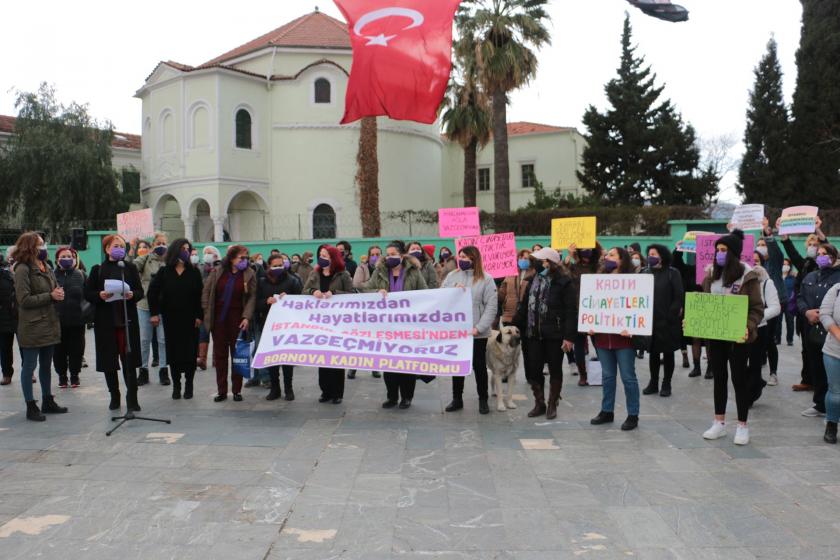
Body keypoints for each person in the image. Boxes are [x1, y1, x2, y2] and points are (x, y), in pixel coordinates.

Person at [700, 230, 764, 446]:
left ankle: (742, 426)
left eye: (724, 250)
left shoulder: (748, 275)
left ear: (734, 253)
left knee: (739, 380)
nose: (719, 254)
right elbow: (704, 305)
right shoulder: (711, 276)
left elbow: (757, 308)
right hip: (716, 336)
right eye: (717, 250)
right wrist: (694, 320)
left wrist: (748, 326)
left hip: (738, 337)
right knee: (719, 378)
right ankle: (719, 422)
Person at [360, 241, 429, 409]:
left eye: (392, 254)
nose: (388, 257)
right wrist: (377, 292)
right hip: (386, 326)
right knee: (388, 363)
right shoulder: (380, 271)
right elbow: (364, 289)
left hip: (408, 325)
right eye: (387, 254)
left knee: (406, 363)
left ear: (401, 255)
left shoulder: (413, 272)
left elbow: (425, 293)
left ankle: (407, 397)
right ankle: (392, 396)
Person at [512, 247, 576, 419]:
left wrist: (569, 337)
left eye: (540, 261)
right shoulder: (532, 279)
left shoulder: (564, 282)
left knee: (555, 369)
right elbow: (524, 306)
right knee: (533, 369)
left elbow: (571, 311)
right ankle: (539, 402)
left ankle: (552, 403)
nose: (536, 264)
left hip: (555, 334)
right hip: (532, 333)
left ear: (550, 262)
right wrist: (512, 324)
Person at [13, 233, 68, 421]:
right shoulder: (22, 269)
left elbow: (53, 287)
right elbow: (24, 299)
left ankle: (47, 400)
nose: (44, 247)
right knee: (29, 366)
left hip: (49, 322)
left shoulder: (46, 266)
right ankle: (31, 405)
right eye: (40, 244)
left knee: (46, 365)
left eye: (44, 244)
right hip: (32, 325)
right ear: (29, 247)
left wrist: (59, 292)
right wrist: (50, 296)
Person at [587, 247, 641, 430]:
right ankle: (606, 410)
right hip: (603, 339)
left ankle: (633, 414)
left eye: (612, 255)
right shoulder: (599, 281)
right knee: (608, 376)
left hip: (624, 340)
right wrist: (591, 323)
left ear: (622, 259)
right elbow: (593, 305)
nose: (607, 257)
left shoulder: (634, 282)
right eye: (607, 254)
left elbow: (640, 308)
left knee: (628, 378)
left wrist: (633, 328)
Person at [441, 246, 497, 414]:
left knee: (479, 366)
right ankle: (457, 398)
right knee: (457, 366)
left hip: (477, 332)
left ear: (474, 259)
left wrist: (479, 328)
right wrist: (452, 291)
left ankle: (483, 399)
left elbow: (491, 307)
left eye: (465, 257)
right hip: (457, 331)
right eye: (460, 256)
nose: (462, 259)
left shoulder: (486, 279)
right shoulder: (452, 276)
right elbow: (441, 296)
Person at [147, 239, 204, 400]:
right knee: (174, 352)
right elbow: (152, 292)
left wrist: (200, 316)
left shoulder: (194, 272)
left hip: (190, 319)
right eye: (183, 249)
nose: (186, 251)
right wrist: (154, 313)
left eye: (188, 249)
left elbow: (200, 296)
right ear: (175, 251)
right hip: (171, 319)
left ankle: (189, 385)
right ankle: (177, 385)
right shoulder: (165, 272)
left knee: (190, 352)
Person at [202, 245, 257, 402]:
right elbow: (206, 292)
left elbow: (252, 297)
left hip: (237, 320)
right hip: (218, 318)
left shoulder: (249, 273)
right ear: (232, 258)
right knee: (220, 356)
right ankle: (221, 390)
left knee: (237, 355)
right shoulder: (218, 271)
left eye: (246, 257)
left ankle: (237, 390)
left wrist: (246, 317)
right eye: (241, 257)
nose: (244, 260)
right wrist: (206, 310)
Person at [781, 216, 829, 391]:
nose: (812, 247)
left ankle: (822, 383)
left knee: (822, 348)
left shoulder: (826, 265)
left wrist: (818, 230)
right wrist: (785, 237)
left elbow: (829, 246)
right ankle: (808, 380)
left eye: (816, 244)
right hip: (804, 313)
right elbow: (792, 253)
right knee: (806, 349)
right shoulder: (804, 264)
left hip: (823, 314)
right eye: (810, 243)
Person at [304, 245, 354, 403]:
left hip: (338, 322)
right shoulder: (315, 273)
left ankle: (337, 393)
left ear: (333, 258)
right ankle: (325, 391)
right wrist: (313, 292)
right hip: (319, 323)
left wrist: (336, 294)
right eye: (321, 255)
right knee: (323, 359)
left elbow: (352, 294)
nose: (322, 258)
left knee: (336, 359)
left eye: (325, 256)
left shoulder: (343, 274)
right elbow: (304, 291)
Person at [798, 244, 840, 418]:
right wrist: (806, 312)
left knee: (831, 371)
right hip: (812, 328)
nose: (821, 256)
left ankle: (833, 407)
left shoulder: (838, 277)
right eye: (819, 254)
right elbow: (800, 298)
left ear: (834, 257)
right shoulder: (810, 276)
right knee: (816, 366)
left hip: (831, 331)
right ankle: (820, 404)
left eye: (826, 254)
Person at [256, 254, 303, 401]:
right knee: (272, 358)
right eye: (275, 265)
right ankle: (275, 388)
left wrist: (289, 298)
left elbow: (301, 302)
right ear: (268, 266)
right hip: (268, 325)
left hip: (287, 325)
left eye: (280, 265)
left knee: (287, 358)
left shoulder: (293, 281)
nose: (278, 268)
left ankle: (289, 388)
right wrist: (266, 301)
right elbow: (255, 303)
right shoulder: (262, 282)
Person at [640, 244, 684, 398]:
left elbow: (678, 296)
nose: (650, 256)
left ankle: (666, 383)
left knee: (668, 353)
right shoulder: (644, 273)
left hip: (667, 321)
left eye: (653, 253)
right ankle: (653, 382)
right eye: (649, 253)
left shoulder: (673, 273)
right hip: (649, 321)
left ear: (662, 256)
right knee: (653, 353)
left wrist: (670, 316)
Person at [133, 232, 169, 386]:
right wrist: (135, 250)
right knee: (144, 340)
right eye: (158, 243)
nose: (161, 246)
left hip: (164, 306)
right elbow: (131, 266)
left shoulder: (170, 260)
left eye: (163, 243)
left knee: (163, 340)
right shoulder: (146, 259)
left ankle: (163, 370)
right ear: (153, 245)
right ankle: (143, 370)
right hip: (145, 305)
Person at [565, 243, 604, 385]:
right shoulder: (574, 267)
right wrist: (569, 255)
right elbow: (563, 273)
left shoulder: (600, 266)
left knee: (599, 344)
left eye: (589, 249)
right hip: (579, 310)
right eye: (583, 250)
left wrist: (603, 255)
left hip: (597, 310)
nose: (586, 252)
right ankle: (583, 375)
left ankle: (603, 373)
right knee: (579, 345)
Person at [746, 250, 781, 401]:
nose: (754, 264)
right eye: (750, 260)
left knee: (755, 363)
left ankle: (751, 394)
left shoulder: (767, 282)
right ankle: (753, 384)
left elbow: (775, 307)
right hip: (738, 328)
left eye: (757, 261)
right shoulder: (738, 279)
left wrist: (756, 317)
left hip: (758, 328)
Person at [53, 247, 86, 389]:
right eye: (63, 256)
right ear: (57, 259)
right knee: (58, 350)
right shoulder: (51, 275)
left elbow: (88, 295)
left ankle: (74, 375)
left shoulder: (81, 274)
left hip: (77, 320)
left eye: (69, 256)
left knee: (76, 349)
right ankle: (62, 376)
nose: (67, 258)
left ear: (74, 259)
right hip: (56, 320)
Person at [349, 245, 383, 379]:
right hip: (363, 308)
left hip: (379, 309)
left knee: (375, 338)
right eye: (372, 254)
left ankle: (374, 366)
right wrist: (374, 291)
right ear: (368, 256)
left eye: (378, 254)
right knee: (360, 338)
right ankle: (353, 367)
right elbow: (356, 284)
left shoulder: (385, 268)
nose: (375, 256)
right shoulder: (362, 268)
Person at [818, 281, 840, 443]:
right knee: (835, 392)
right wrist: (837, 334)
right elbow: (824, 313)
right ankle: (831, 424)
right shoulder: (837, 289)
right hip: (834, 351)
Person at [196, 245, 221, 371]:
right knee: (203, 333)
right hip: (203, 305)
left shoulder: (221, 268)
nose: (207, 255)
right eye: (205, 253)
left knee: (217, 333)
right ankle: (202, 359)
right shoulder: (201, 268)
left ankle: (217, 359)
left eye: (210, 253)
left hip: (217, 306)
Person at [499, 249, 534, 326]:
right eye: (520, 258)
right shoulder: (510, 273)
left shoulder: (534, 274)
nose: (522, 260)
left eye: (525, 258)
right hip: (509, 315)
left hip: (526, 317)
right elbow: (501, 295)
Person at [0, 248, 16, 386]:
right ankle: (6, 374)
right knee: (5, 347)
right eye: (11, 256)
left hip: (20, 314)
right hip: (3, 316)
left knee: (25, 346)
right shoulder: (3, 272)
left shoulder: (22, 270)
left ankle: (30, 373)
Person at [782, 258, 797, 347]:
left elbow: (796, 289)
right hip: (779, 301)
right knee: (777, 322)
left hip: (789, 302)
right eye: (783, 264)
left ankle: (790, 339)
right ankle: (777, 338)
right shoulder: (777, 276)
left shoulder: (793, 277)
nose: (785, 266)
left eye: (787, 264)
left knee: (790, 322)